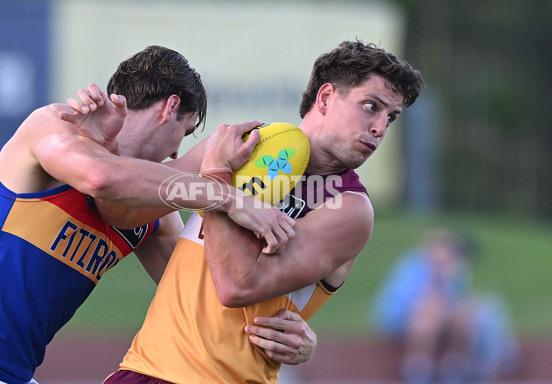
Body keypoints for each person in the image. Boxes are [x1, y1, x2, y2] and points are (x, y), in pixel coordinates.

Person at [0, 45, 311, 384]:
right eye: (183, 133)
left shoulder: (156, 213)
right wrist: (227, 197)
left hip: (11, 373)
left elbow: (204, 295)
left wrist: (296, 333)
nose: (175, 155)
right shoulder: (54, 123)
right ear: (170, 107)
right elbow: (101, 178)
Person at [97, 40, 425, 383]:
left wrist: (216, 180)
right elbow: (125, 207)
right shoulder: (239, 144)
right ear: (326, 97)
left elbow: (237, 286)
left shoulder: (347, 208)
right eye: (371, 106)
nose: (380, 128)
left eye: (391, 117)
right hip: (141, 371)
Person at [371, 228, 520, 383]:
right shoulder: (412, 267)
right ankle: (418, 370)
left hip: (441, 322)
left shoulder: (453, 271)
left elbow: (458, 301)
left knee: (465, 315)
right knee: (429, 314)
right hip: (400, 320)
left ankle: (454, 368)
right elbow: (411, 304)